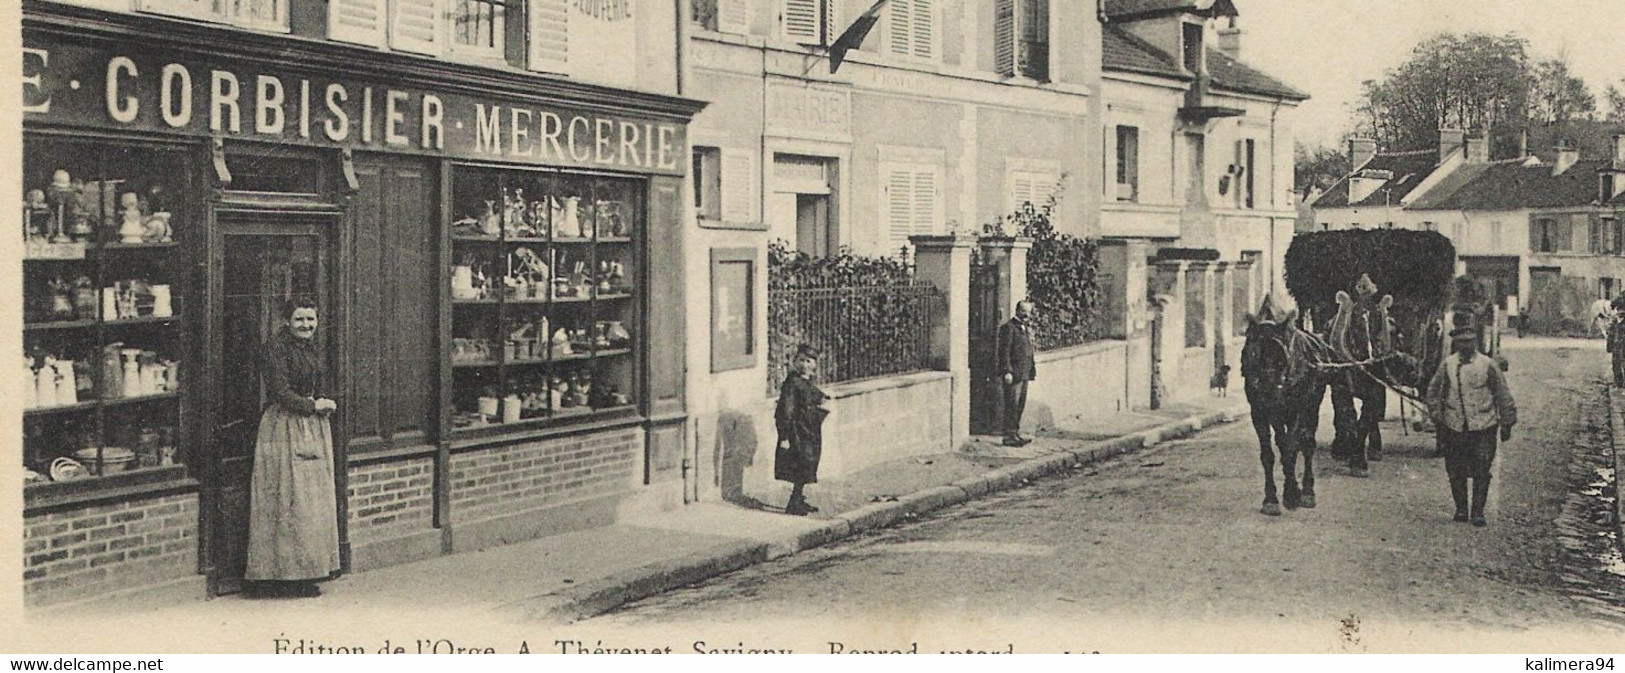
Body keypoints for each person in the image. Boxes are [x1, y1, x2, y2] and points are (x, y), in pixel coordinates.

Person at [245, 298, 341, 597]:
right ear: (287, 321)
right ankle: (281, 575)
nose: (306, 325)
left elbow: (319, 382)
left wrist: (322, 401)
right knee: (287, 496)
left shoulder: (311, 347)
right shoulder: (275, 348)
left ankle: (306, 572)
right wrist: (313, 405)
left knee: (309, 501)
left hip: (311, 425)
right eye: (300, 319)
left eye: (311, 320)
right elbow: (280, 391)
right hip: (285, 427)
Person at [1425, 323, 1517, 528]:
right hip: (1454, 425)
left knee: (1482, 468)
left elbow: (1502, 394)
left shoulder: (1488, 365)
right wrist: (1436, 414)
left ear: (1475, 342)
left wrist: (1507, 422)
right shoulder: (1447, 365)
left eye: (1470, 342)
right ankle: (1461, 509)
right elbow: (1433, 391)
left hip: (1483, 426)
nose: (1466, 346)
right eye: (1462, 342)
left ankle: (1477, 512)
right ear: (1456, 344)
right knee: (1455, 469)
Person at [775, 345, 830, 516]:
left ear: (814, 365)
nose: (804, 364)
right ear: (795, 361)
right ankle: (794, 503)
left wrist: (822, 399)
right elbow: (786, 410)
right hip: (797, 431)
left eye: (809, 361)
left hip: (809, 430)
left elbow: (812, 394)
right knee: (800, 464)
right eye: (801, 360)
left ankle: (799, 498)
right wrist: (784, 436)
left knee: (807, 464)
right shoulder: (792, 383)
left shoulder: (805, 381)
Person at [996, 300, 1038, 447]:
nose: (1027, 315)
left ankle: (1015, 433)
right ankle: (1009, 436)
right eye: (1024, 311)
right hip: (1013, 374)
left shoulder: (1025, 328)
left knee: (1020, 405)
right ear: (1017, 311)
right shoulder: (1008, 328)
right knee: (1012, 405)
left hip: (1024, 373)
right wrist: (1007, 371)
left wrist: (1031, 370)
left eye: (1029, 312)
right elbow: (1004, 352)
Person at [1609, 301, 1625, 387]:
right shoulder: (1614, 322)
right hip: (1615, 347)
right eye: (1618, 309)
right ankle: (1618, 383)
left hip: (1623, 346)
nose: (1620, 312)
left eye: (1622, 310)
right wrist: (1609, 346)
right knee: (1615, 364)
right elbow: (1610, 335)